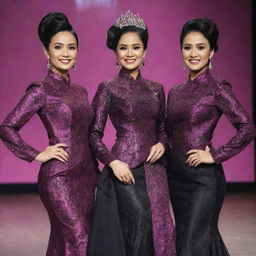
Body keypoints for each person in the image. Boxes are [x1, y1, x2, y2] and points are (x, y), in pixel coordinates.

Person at [0, 12, 98, 256]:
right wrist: (37, 154)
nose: (65, 53)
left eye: (71, 47)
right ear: (46, 52)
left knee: (63, 240)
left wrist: (98, 175)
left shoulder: (81, 91)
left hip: (86, 176)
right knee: (78, 236)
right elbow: (7, 126)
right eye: (58, 47)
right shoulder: (41, 89)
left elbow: (87, 135)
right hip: (59, 177)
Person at [88, 10, 175, 256]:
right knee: (138, 221)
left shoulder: (156, 89)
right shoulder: (108, 88)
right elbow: (93, 134)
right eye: (123, 48)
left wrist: (162, 142)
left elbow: (163, 128)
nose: (129, 53)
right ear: (116, 52)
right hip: (124, 169)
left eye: (135, 47)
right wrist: (113, 163)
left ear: (144, 51)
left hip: (155, 169)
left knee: (160, 226)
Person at [166, 17, 256, 256]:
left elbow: (247, 127)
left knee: (190, 244)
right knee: (196, 238)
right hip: (176, 178)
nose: (193, 53)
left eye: (201, 47)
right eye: (187, 47)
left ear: (212, 51)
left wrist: (214, 155)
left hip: (203, 181)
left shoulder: (217, 87)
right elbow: (168, 131)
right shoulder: (175, 92)